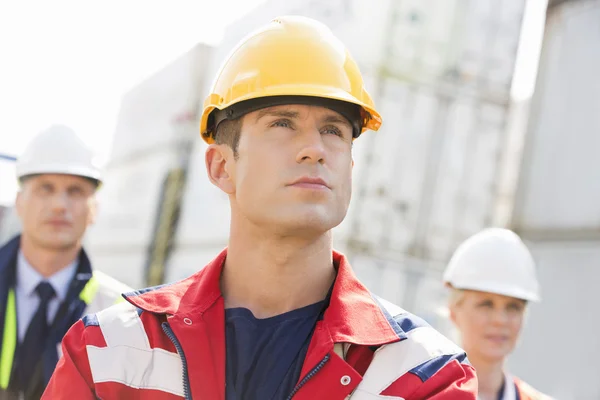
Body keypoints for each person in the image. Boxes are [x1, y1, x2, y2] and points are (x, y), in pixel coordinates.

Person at [43, 16, 477, 399]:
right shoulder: (108, 350)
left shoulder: (424, 376)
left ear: (350, 166)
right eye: (283, 123)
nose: (314, 149)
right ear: (221, 166)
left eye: (334, 130)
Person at [0, 125, 131, 400]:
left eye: (75, 191)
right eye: (45, 188)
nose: (60, 204)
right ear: (19, 202)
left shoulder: (122, 313)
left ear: (94, 209)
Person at [443, 228, 552, 400]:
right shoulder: (420, 394)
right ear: (453, 311)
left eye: (513, 307)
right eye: (486, 305)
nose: (500, 320)